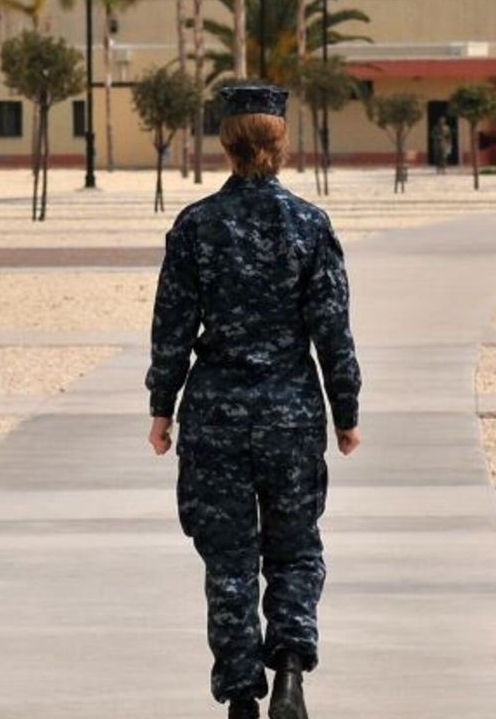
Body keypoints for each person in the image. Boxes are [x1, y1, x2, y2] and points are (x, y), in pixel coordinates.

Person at [146, 83, 363, 719]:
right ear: (280, 141)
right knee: (294, 546)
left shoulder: (196, 226)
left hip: (216, 413)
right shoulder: (309, 224)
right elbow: (333, 330)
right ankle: (290, 670)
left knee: (229, 558)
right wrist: (345, 412)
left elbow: (172, 331)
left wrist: (162, 409)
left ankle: (242, 695)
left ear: (226, 143)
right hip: (290, 414)